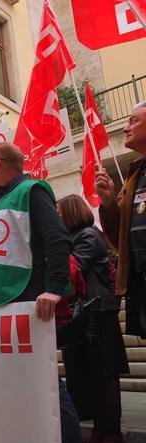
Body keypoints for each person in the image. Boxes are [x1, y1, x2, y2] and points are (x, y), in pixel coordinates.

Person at [0, 143, 80, 443]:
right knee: (13, 386)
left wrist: (54, 289)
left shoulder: (32, 191)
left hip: (24, 305)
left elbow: (57, 239)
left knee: (45, 385)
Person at [57, 195, 130, 443]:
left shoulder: (88, 235)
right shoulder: (73, 239)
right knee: (88, 376)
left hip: (98, 313)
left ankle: (112, 433)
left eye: (58, 213)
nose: (55, 218)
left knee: (105, 374)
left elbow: (73, 267)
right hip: (82, 317)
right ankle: (99, 431)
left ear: (70, 213)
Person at [96, 101, 146, 338]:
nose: (125, 128)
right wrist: (109, 203)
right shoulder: (136, 174)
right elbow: (118, 237)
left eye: (133, 121)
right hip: (140, 282)